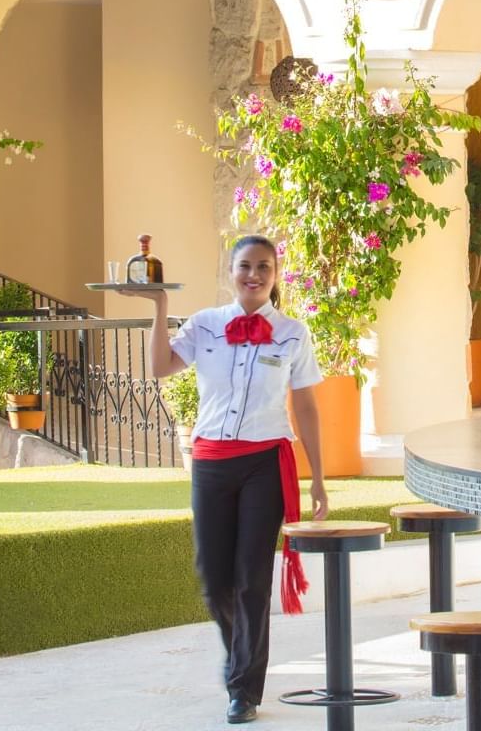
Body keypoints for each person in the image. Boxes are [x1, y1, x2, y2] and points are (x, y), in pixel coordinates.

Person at [130, 234, 329, 725]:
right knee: (214, 577)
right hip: (212, 461)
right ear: (230, 271)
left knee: (251, 577)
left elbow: (304, 405)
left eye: (264, 266)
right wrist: (160, 307)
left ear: (276, 274)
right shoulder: (205, 325)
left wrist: (318, 478)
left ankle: (243, 687)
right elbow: (159, 367)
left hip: (265, 461)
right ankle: (239, 653)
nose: (254, 275)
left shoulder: (293, 333)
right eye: (245, 266)